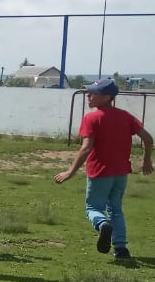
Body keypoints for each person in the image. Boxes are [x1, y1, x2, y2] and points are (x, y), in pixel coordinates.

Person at [54, 78, 153, 259]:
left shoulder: (91, 118)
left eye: (93, 93)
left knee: (93, 207)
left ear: (107, 97)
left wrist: (70, 171)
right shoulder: (125, 116)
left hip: (100, 172)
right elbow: (148, 139)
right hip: (121, 173)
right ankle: (121, 248)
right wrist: (146, 161)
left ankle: (102, 225)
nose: (88, 96)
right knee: (115, 209)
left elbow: (86, 148)